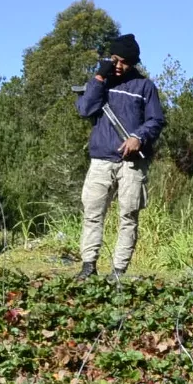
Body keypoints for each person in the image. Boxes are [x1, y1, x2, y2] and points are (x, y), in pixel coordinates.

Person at [74, 34, 165, 280]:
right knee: (92, 213)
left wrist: (139, 137)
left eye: (123, 61)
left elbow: (156, 120)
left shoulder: (145, 87)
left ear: (133, 62)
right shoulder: (99, 82)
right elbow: (84, 109)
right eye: (114, 59)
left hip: (133, 164)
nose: (118, 65)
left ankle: (118, 271)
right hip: (101, 159)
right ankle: (88, 266)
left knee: (128, 215)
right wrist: (98, 78)